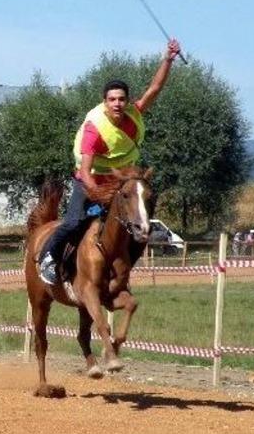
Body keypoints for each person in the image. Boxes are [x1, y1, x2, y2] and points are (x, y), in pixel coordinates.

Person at [38, 39, 182, 285]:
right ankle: (48, 258)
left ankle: (122, 270)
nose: (117, 103)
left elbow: (155, 88)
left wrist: (168, 59)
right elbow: (84, 169)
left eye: (121, 99)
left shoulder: (133, 113)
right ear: (105, 101)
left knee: (139, 220)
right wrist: (94, 193)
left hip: (121, 181)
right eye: (112, 99)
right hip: (91, 181)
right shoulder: (95, 129)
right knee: (74, 222)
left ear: (127, 101)